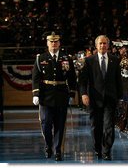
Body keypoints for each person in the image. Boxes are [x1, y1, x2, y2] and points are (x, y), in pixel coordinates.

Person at [32, 31, 77, 161]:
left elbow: (72, 77)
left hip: (61, 95)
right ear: (47, 43)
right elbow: (35, 77)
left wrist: (72, 93)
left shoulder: (66, 58)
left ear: (59, 43)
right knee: (46, 124)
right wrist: (36, 93)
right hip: (45, 96)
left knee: (60, 124)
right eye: (51, 42)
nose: (54, 44)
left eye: (56, 41)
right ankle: (48, 145)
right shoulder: (40, 58)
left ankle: (57, 150)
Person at [79, 35, 123, 160]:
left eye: (105, 43)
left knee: (109, 126)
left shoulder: (115, 60)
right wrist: (83, 94)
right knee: (96, 126)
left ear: (108, 45)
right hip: (94, 99)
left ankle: (106, 151)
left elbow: (118, 80)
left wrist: (120, 97)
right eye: (100, 44)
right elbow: (83, 80)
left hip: (110, 98)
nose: (103, 46)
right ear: (96, 46)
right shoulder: (89, 61)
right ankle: (97, 148)